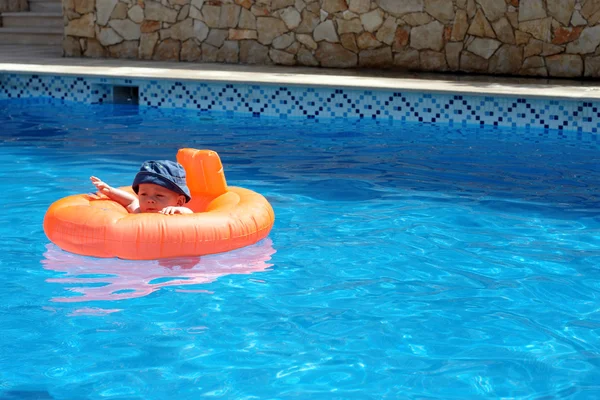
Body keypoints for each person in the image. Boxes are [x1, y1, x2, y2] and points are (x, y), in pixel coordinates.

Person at [91, 160, 193, 214]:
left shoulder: (177, 214)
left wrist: (181, 211)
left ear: (179, 202)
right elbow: (130, 201)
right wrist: (109, 191)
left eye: (159, 195)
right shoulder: (139, 211)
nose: (149, 200)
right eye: (143, 194)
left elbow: (192, 218)